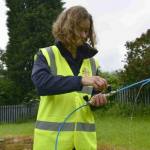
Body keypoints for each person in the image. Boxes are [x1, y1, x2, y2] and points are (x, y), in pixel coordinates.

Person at [32, 6, 108, 150]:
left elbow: (89, 99)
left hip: (84, 143)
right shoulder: (46, 55)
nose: (84, 35)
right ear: (67, 28)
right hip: (51, 143)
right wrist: (80, 80)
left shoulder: (92, 62)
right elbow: (41, 84)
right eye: (80, 29)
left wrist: (97, 102)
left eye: (87, 30)